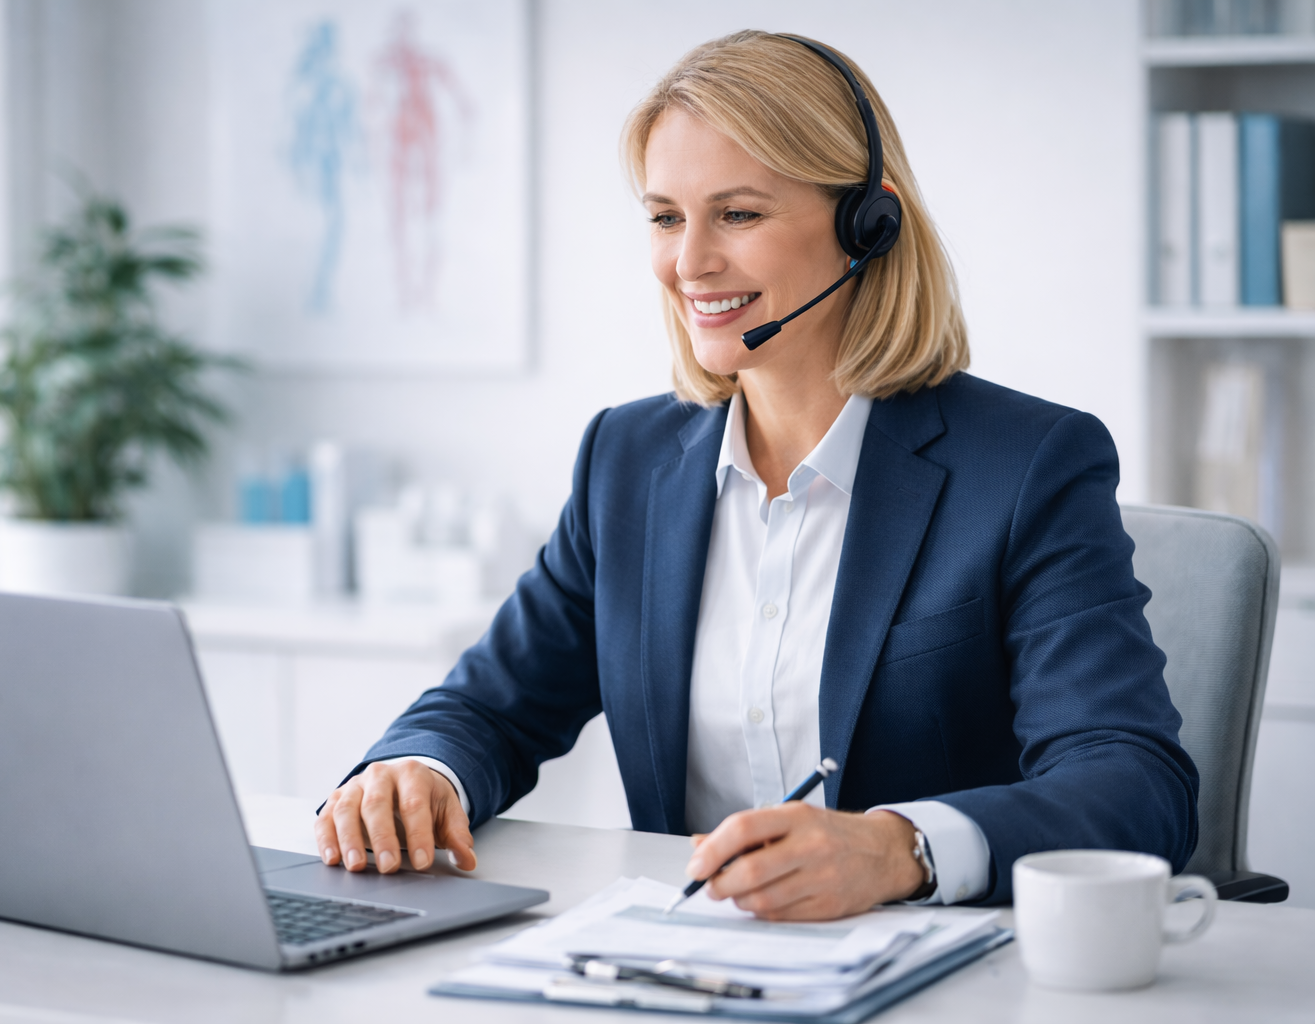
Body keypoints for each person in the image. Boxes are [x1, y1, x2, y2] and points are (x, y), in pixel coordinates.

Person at [314, 30, 1198, 920]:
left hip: (944, 980)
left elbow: (1134, 786)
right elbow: (490, 708)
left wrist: (904, 848)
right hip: (683, 969)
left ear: (868, 224)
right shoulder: (626, 465)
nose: (688, 262)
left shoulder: (1027, 466)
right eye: (665, 216)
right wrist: (415, 771)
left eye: (737, 214)